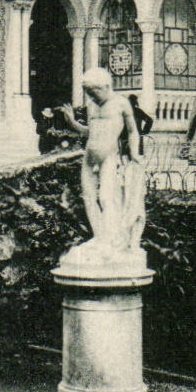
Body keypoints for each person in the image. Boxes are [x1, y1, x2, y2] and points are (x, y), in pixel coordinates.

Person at [66, 68, 145, 262]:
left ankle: (111, 240)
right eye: (88, 92)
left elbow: (133, 131)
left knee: (106, 198)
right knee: (89, 197)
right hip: (89, 157)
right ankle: (100, 237)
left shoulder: (121, 103)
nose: (91, 96)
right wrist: (71, 122)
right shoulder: (93, 105)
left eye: (94, 91)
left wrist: (135, 152)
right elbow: (89, 132)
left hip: (109, 156)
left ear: (107, 86)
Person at [125, 93, 155, 157]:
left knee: (127, 159)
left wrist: (144, 131)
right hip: (136, 137)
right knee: (136, 158)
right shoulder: (138, 111)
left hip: (128, 138)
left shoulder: (127, 112)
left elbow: (149, 120)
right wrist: (144, 131)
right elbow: (149, 120)